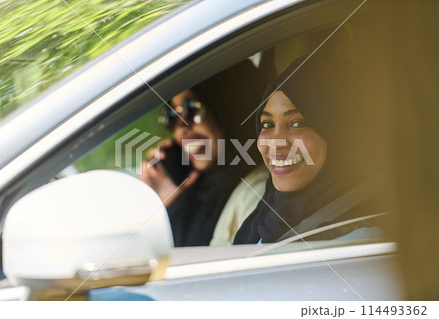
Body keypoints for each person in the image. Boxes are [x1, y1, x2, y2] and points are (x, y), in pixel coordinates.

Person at [234, 56, 390, 244]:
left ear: (340, 135)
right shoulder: (265, 219)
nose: (276, 141)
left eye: (297, 123)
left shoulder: (362, 240)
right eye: (267, 124)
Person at [140, 60, 266, 247]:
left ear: (231, 107)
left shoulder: (257, 193)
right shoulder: (197, 192)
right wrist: (160, 203)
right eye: (172, 116)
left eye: (192, 109)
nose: (181, 128)